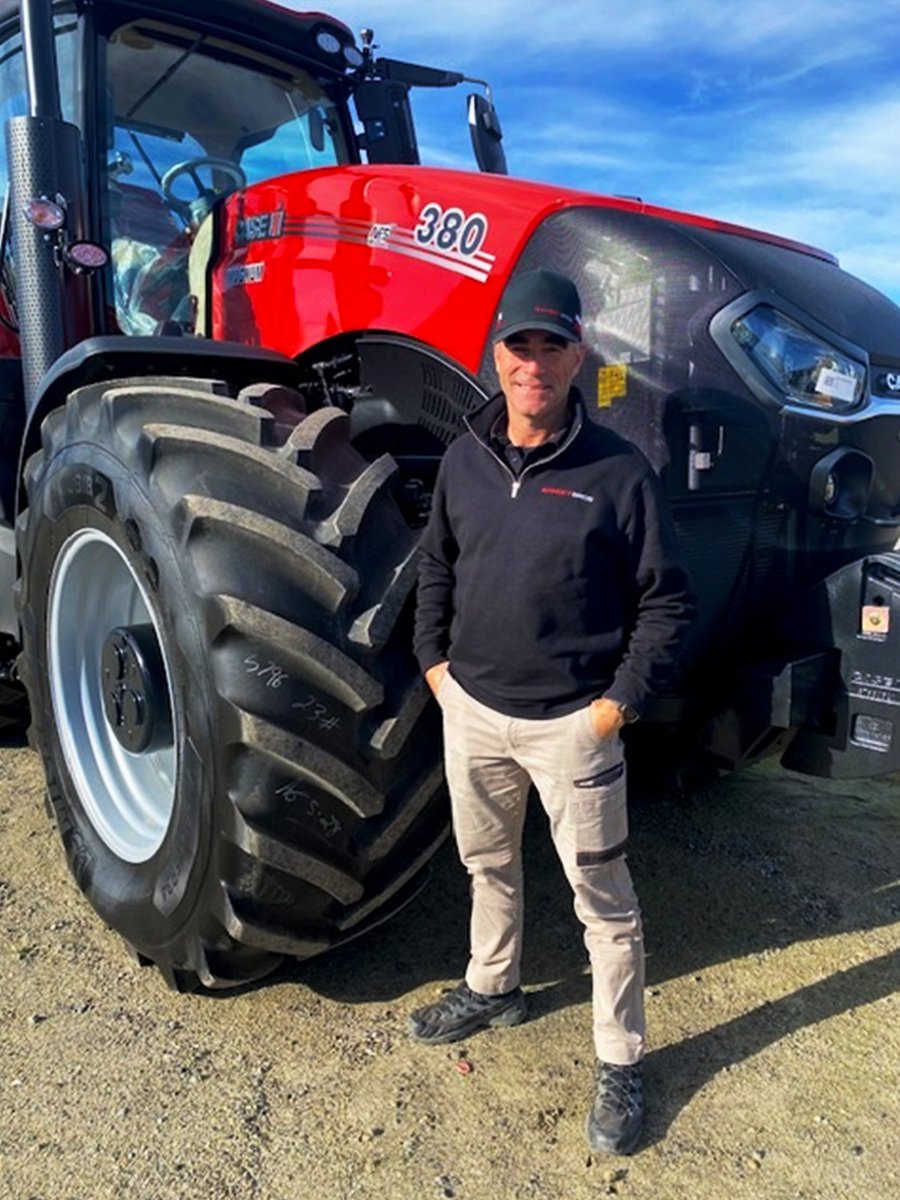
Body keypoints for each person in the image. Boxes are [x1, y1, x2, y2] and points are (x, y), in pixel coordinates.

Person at [409, 267, 695, 1156]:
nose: (533, 363)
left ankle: (619, 1059)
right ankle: (493, 988)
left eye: (551, 346)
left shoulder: (617, 471)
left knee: (603, 902)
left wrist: (614, 708)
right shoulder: (464, 459)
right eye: (518, 346)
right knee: (486, 864)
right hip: (474, 714)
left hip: (575, 728)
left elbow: (667, 603)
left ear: (579, 354)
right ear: (497, 355)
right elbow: (437, 568)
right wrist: (434, 670)